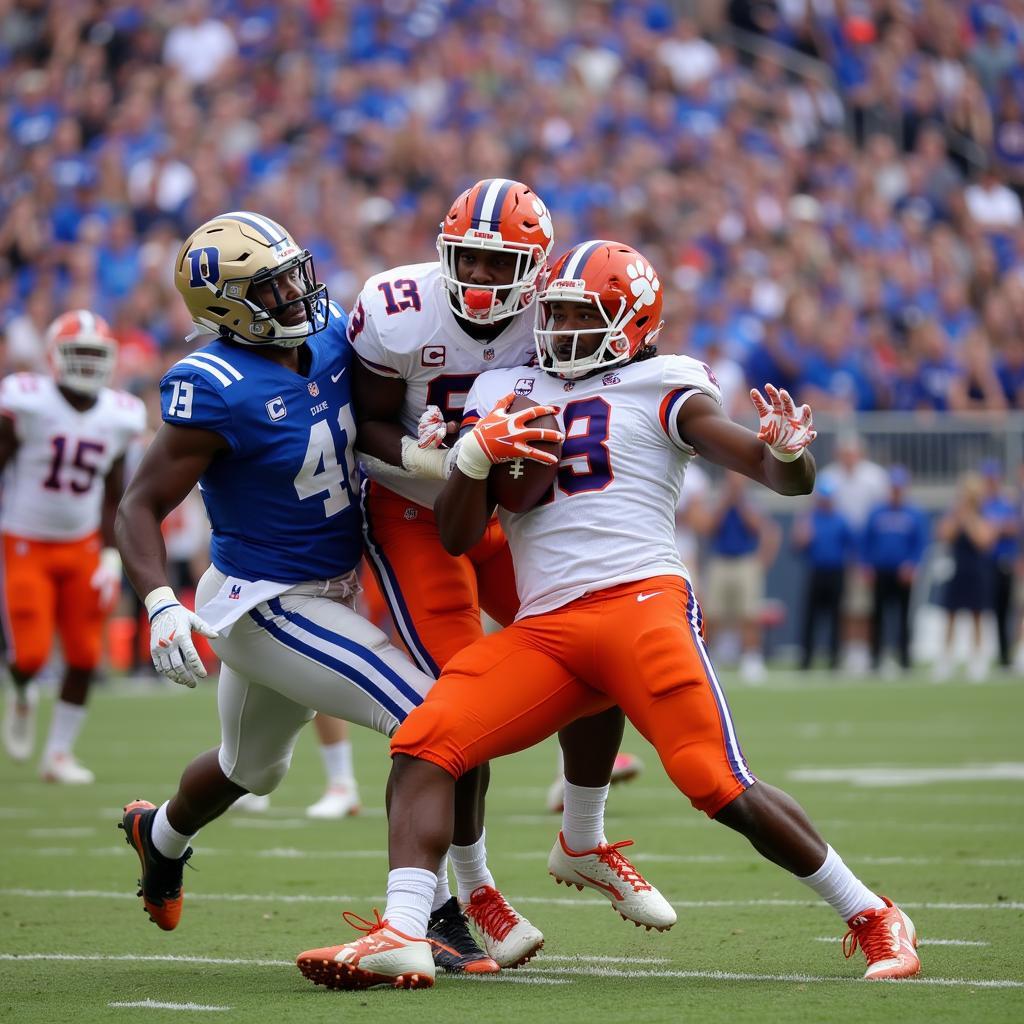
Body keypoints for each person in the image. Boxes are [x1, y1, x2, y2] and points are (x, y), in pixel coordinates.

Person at [295, 240, 920, 990]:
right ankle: (402, 928)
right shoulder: (506, 386)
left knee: (713, 778)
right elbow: (460, 535)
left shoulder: (668, 382)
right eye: (552, 312)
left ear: (633, 323)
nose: (557, 329)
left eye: (577, 315)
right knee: (427, 737)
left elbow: (766, 468)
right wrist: (470, 459)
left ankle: (872, 912)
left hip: (640, 606)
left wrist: (785, 453)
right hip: (547, 630)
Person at [114, 211, 524, 975]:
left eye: (296, 272)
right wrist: (159, 602)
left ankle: (159, 836)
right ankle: (436, 914)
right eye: (273, 287)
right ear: (228, 307)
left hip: (337, 585)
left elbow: (377, 413)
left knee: (250, 768)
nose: (301, 293)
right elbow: (138, 504)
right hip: (266, 600)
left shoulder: (334, 327)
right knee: (436, 714)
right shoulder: (213, 387)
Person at [348, 179, 650, 853]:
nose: (480, 276)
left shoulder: (558, 311)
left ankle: (583, 837)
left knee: (599, 641)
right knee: (459, 691)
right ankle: (473, 888)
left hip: (505, 511)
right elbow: (363, 420)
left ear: (536, 268)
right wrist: (433, 462)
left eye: (500, 263)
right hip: (415, 505)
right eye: (468, 258)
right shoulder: (397, 308)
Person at [0, 310, 145, 782]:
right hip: (25, 540)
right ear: (52, 357)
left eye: (94, 354)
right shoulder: (28, 401)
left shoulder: (120, 414)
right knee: (31, 655)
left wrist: (108, 551)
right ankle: (22, 690)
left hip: (82, 544)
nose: (86, 363)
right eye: (76, 352)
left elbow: (113, 492)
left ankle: (58, 754)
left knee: (85, 655)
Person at [818, 435, 889, 674]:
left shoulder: (874, 477)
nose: (848, 459)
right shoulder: (829, 476)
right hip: (838, 550)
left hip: (866, 549)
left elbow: (880, 514)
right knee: (846, 605)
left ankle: (864, 650)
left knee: (865, 605)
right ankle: (848, 649)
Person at [702, 470, 780, 682]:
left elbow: (759, 528)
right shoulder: (719, 501)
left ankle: (751, 659)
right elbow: (709, 527)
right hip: (721, 561)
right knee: (714, 613)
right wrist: (727, 501)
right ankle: (711, 659)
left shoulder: (752, 502)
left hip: (745, 561)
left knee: (749, 614)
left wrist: (741, 503)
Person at [861, 466, 930, 674]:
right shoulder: (876, 511)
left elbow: (920, 543)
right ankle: (876, 657)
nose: (896, 491)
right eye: (893, 487)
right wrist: (866, 565)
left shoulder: (914, 513)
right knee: (878, 615)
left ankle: (905, 658)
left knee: (904, 616)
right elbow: (865, 541)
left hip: (903, 573)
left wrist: (912, 564)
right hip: (880, 570)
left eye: (899, 487)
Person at [934, 472, 997, 683]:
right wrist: (958, 516)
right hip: (957, 570)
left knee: (977, 617)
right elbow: (943, 535)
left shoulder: (983, 516)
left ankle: (977, 660)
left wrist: (969, 517)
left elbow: (983, 541)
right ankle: (945, 660)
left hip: (977, 572)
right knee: (950, 616)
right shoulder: (954, 515)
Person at [792, 477, 856, 670]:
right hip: (816, 571)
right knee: (810, 617)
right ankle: (806, 659)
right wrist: (802, 537)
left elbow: (851, 546)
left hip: (836, 572)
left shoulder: (840, 519)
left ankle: (835, 658)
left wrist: (852, 570)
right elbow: (797, 547)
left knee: (836, 617)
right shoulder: (809, 519)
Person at [979, 459, 1019, 671]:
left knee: (1006, 610)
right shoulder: (980, 503)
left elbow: (1013, 528)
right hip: (984, 564)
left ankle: (1006, 655)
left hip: (1004, 563)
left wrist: (995, 528)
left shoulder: (1006, 503)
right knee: (984, 610)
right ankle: (983, 653)